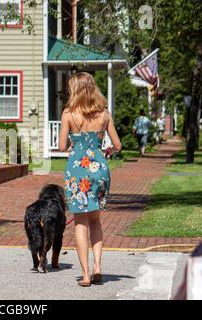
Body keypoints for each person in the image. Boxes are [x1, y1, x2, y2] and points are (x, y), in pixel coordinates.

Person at [59, 72, 122, 287]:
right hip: (98, 168)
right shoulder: (104, 114)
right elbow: (118, 145)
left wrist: (74, 146)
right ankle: (97, 267)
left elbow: (61, 146)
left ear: (75, 89)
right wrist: (105, 151)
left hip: (77, 169)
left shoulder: (68, 113)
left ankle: (85, 274)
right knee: (95, 220)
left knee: (80, 222)